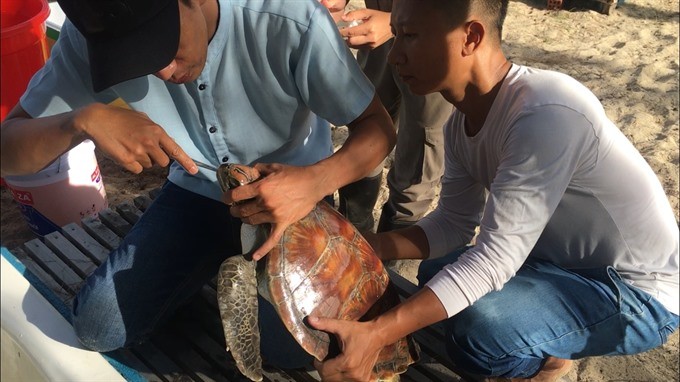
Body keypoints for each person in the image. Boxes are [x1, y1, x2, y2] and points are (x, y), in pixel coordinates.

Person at [0, 0, 395, 369]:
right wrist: (80, 121)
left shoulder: (287, 16)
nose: (164, 73)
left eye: (164, 47)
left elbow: (378, 130)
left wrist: (314, 181)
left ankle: (204, 277)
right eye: (134, 60)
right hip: (197, 191)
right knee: (98, 327)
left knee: (291, 349)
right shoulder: (92, 28)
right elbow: (8, 146)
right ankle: (196, 274)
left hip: (295, 199)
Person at [309, 0, 680, 381]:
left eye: (410, 37)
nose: (395, 57)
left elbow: (495, 260)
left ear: (471, 37)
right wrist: (367, 245)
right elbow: (453, 225)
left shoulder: (546, 112)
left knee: (481, 332)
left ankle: (544, 359)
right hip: (557, 265)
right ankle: (545, 335)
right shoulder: (460, 125)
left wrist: (376, 334)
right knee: (437, 272)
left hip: (636, 293)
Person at [334, 0, 452, 233]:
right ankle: (352, 230)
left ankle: (389, 251)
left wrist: (394, 23)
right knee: (365, 128)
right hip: (375, 33)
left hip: (433, 37)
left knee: (420, 152)